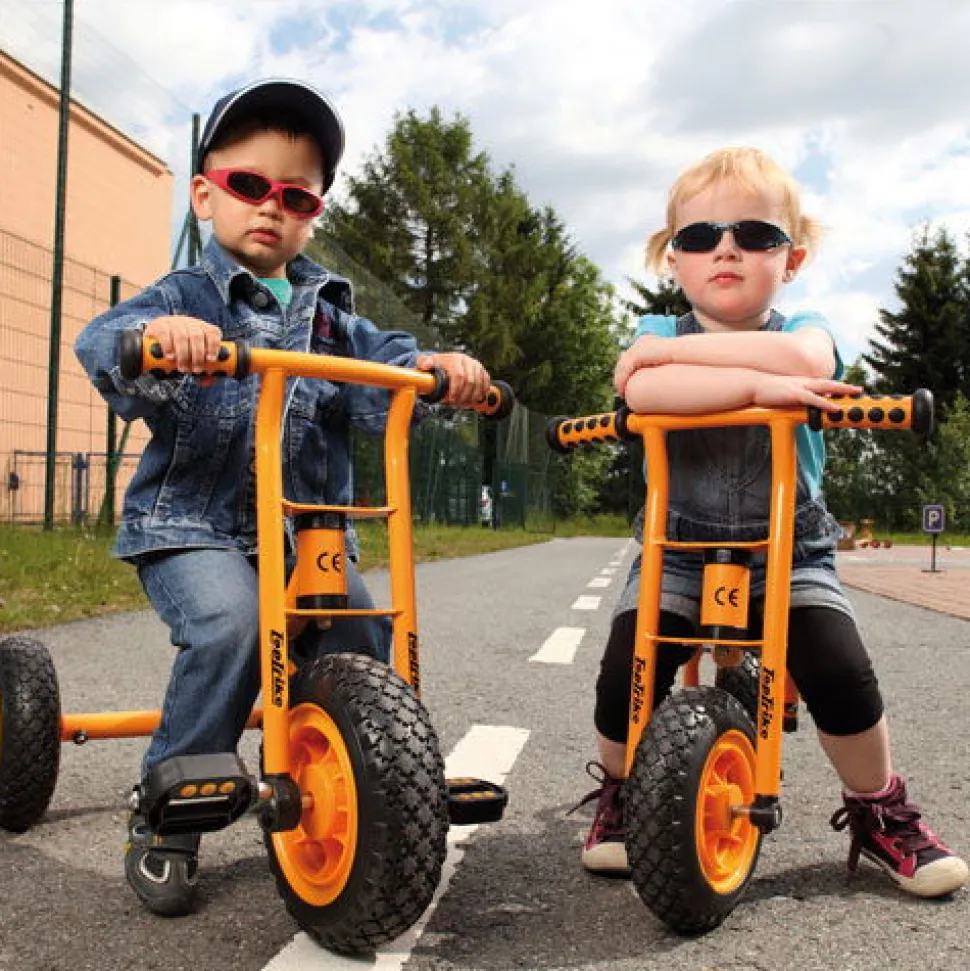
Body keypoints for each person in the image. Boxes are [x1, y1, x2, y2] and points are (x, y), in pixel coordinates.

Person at [74, 78, 490, 917]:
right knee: (230, 627)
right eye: (249, 186)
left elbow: (394, 369)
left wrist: (442, 371)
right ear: (205, 194)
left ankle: (380, 778)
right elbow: (99, 345)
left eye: (295, 195)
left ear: (313, 213)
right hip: (193, 528)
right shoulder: (183, 298)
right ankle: (165, 819)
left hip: (307, 536)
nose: (271, 207)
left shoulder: (332, 312)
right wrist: (155, 344)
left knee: (363, 630)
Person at [577, 146, 969, 900]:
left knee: (837, 665)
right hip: (678, 545)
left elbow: (801, 352)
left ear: (790, 258)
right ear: (675, 260)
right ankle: (621, 793)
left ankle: (877, 804)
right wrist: (759, 383)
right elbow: (647, 396)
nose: (725, 248)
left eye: (754, 235)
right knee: (629, 662)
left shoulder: (806, 326)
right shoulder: (656, 327)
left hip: (790, 550)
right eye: (699, 238)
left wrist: (678, 361)